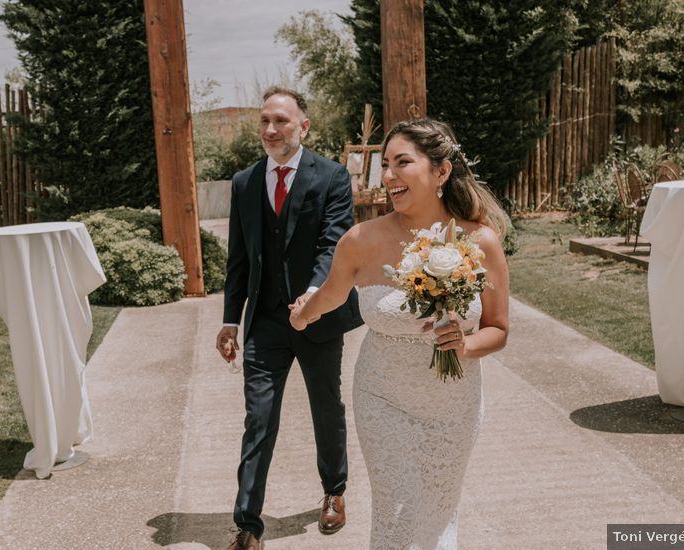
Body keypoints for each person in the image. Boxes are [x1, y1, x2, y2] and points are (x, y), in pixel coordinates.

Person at [289, 118, 510, 549]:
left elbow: (499, 330)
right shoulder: (361, 239)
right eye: (386, 164)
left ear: (441, 171)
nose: (388, 175)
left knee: (436, 514)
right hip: (383, 398)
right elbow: (332, 293)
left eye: (402, 163)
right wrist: (302, 314)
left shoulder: (481, 241)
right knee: (396, 510)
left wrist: (464, 345)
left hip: (454, 404)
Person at [216, 86, 363, 550]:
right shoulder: (244, 182)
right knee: (259, 418)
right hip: (265, 322)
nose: (270, 129)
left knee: (326, 408)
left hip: (318, 317)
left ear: (304, 125)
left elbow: (333, 245)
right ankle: (247, 524)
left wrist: (314, 297)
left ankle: (334, 492)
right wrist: (230, 320)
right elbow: (238, 260)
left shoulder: (333, 177)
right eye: (264, 121)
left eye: (280, 120)